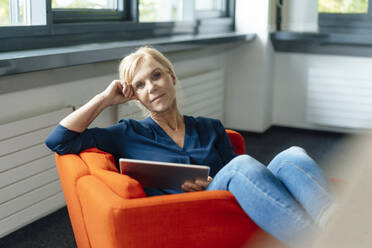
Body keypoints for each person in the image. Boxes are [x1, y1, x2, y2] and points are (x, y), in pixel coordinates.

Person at [45, 46, 337, 247]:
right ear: (136, 97)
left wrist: (212, 181)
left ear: (171, 77)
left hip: (223, 197)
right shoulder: (126, 133)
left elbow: (244, 181)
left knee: (291, 155)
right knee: (241, 166)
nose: (152, 88)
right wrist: (105, 99)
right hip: (185, 209)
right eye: (141, 85)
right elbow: (59, 140)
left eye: (156, 76)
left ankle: (341, 225)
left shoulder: (210, 127)